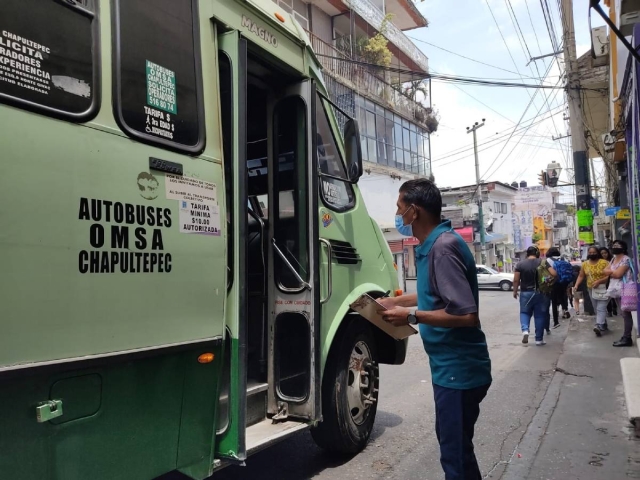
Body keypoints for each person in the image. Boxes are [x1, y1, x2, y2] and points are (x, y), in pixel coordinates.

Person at [378, 178, 491, 480]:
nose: (398, 215)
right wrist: (393, 301)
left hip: (459, 371)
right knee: (458, 452)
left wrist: (412, 316)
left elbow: (467, 315)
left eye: (400, 208)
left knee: (454, 456)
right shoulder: (434, 245)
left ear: (414, 212)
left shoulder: (443, 248)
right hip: (450, 369)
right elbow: (435, 294)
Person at [513, 245, 551, 345]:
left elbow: (516, 279)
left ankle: (525, 330)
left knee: (524, 312)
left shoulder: (520, 264)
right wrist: (547, 281)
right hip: (541, 292)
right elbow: (553, 274)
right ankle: (539, 340)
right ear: (537, 253)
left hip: (525, 292)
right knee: (539, 316)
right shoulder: (543, 262)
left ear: (527, 254)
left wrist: (515, 291)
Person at [604, 240, 634, 347]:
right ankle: (626, 336)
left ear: (623, 247)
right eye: (614, 245)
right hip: (615, 290)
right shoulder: (613, 259)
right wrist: (613, 272)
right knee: (623, 314)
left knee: (626, 314)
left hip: (624, 289)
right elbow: (605, 271)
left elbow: (617, 274)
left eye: (618, 245)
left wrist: (611, 272)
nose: (615, 247)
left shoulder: (626, 259)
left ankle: (627, 338)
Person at [574, 246, 610, 336]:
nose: (592, 254)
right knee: (596, 308)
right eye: (590, 252)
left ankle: (598, 325)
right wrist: (576, 285)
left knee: (601, 307)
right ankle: (603, 324)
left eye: (594, 252)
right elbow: (581, 276)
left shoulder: (604, 263)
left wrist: (599, 281)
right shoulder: (585, 264)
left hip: (605, 288)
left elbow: (609, 275)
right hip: (591, 289)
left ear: (597, 253)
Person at [546, 247, 570, 329]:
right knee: (563, 296)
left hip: (554, 282)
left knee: (554, 301)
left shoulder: (548, 260)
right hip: (564, 281)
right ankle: (565, 309)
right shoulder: (564, 258)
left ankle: (556, 322)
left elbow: (547, 273)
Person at [600, 247, 618, 317]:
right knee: (606, 297)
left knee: (613, 296)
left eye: (605, 253)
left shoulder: (612, 260)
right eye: (602, 253)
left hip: (612, 280)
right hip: (604, 281)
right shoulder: (599, 262)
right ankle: (609, 311)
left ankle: (614, 307)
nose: (604, 255)